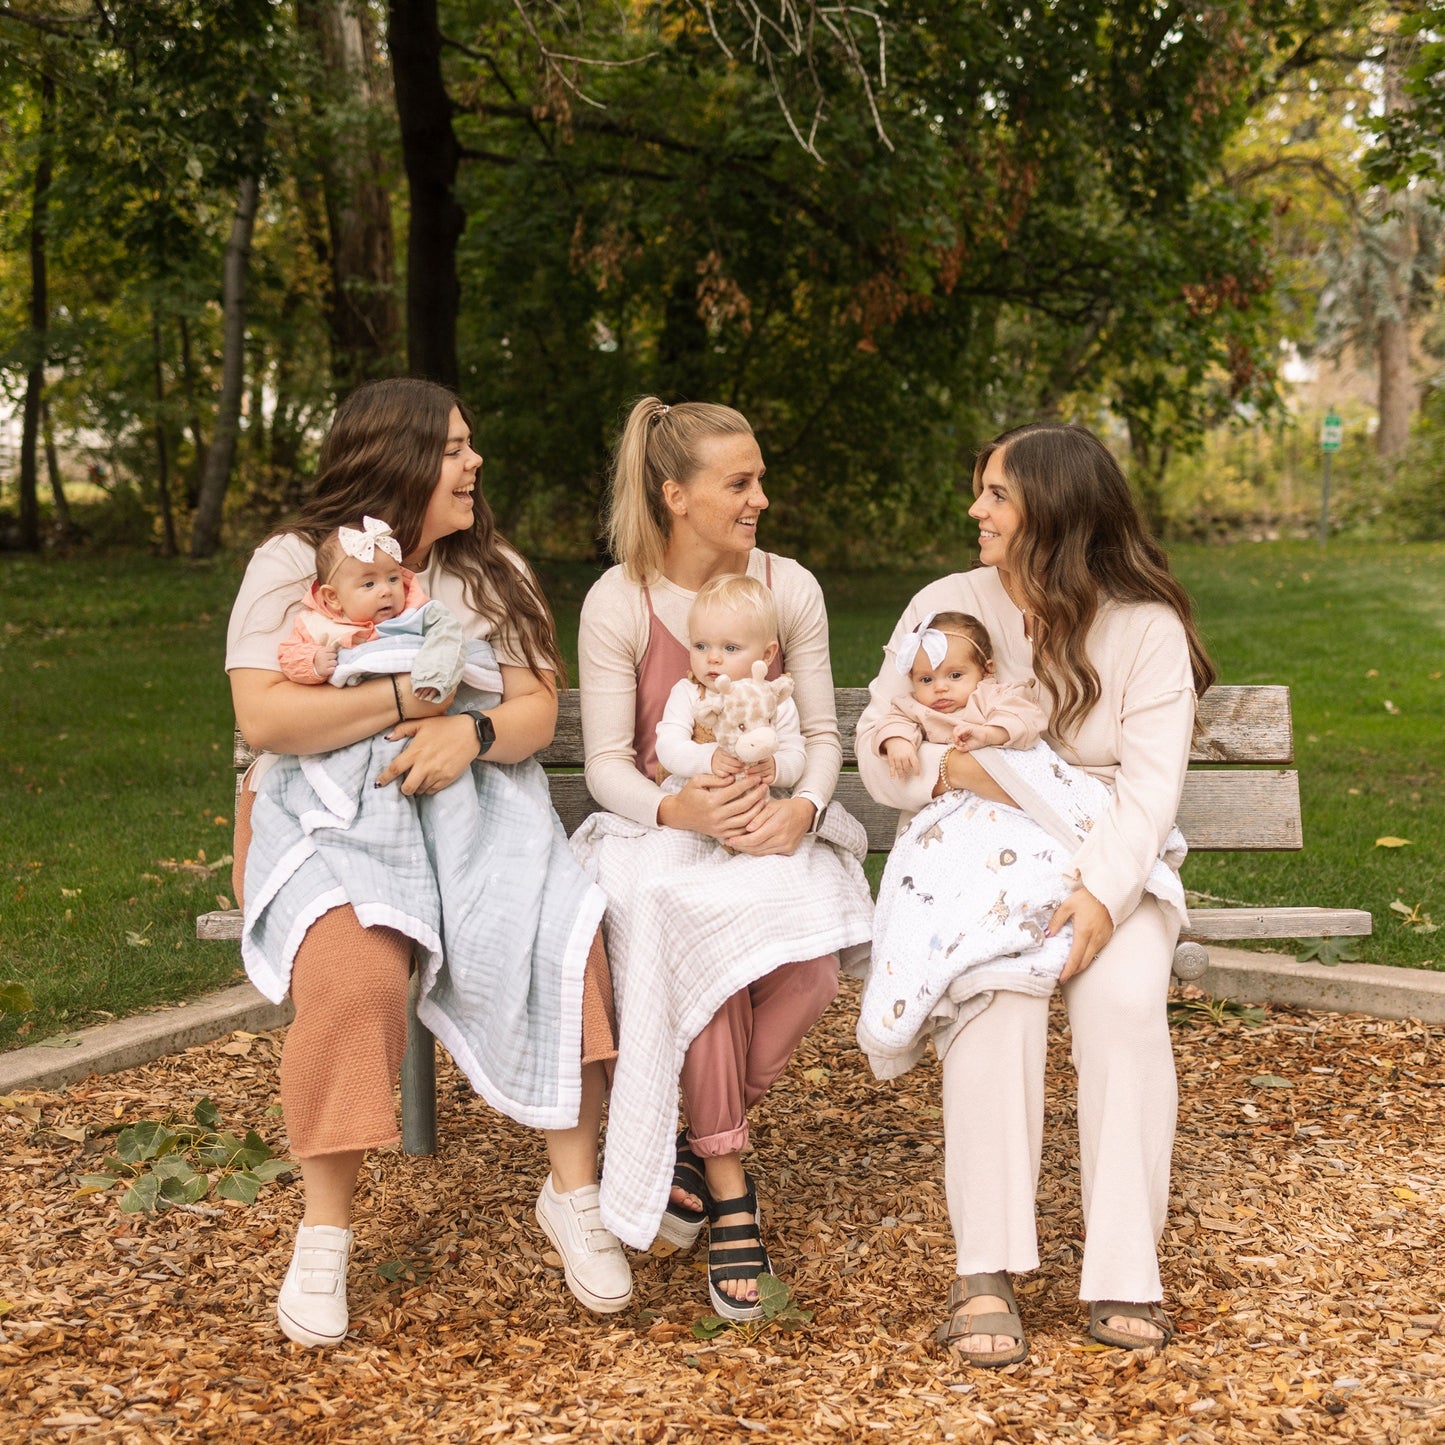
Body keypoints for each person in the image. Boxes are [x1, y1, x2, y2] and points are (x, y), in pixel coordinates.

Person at [226, 378, 629, 1348]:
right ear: (395, 458)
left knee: (564, 936)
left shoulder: (489, 570)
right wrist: (414, 702)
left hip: (476, 813)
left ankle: (573, 1192)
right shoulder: (294, 562)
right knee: (354, 977)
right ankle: (324, 1233)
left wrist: (471, 732)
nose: (473, 461)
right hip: (331, 821)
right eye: (452, 447)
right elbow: (266, 714)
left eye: (469, 443)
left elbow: (534, 707)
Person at [855, 423, 1214, 1365]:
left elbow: (1149, 790)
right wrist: (957, 773)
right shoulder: (944, 606)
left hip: (1108, 858)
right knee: (994, 994)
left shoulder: (1144, 626)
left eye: (996, 495)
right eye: (980, 489)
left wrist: (1101, 896)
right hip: (976, 859)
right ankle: (984, 1268)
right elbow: (883, 735)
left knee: (1123, 1003)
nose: (975, 509)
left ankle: (1126, 1267)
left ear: (1052, 511)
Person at [570, 396, 873, 1323]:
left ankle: (682, 1146)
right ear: (676, 496)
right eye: (738, 482)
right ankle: (732, 1188)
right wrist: (678, 806)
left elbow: (820, 735)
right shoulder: (619, 600)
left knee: (812, 971)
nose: (759, 499)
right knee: (697, 939)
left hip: (772, 819)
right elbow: (606, 766)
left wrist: (802, 810)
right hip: (658, 833)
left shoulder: (788, 587)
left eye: (759, 479)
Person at [276, 517, 467, 703]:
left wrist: (433, 675)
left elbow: (448, 633)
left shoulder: (417, 612)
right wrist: (313, 662)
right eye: (369, 584)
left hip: (423, 692)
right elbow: (288, 654)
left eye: (393, 579)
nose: (386, 591)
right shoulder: (317, 625)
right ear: (333, 597)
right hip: (362, 707)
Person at [654, 573, 805, 791]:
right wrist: (708, 758)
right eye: (701, 646)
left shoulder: (774, 700)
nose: (712, 658)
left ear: (766, 655)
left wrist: (776, 767)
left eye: (730, 648)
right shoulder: (688, 693)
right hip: (698, 797)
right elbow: (668, 747)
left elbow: (795, 754)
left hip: (758, 798)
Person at [875, 610, 1046, 780]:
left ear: (986, 670)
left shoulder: (991, 695)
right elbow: (893, 721)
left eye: (955, 675)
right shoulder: (913, 707)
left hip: (1010, 779)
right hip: (956, 786)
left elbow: (1024, 719)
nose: (940, 688)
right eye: (926, 679)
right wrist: (898, 741)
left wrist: (989, 734)